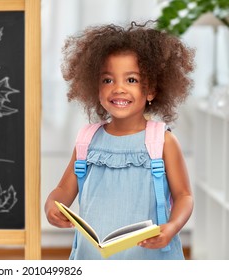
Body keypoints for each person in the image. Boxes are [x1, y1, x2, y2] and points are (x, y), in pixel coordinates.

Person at [44, 21, 195, 260]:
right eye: (108, 80)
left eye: (131, 80)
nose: (119, 89)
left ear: (151, 90)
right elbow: (63, 190)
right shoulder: (87, 139)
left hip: (148, 259)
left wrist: (173, 226)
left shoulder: (162, 141)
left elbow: (184, 195)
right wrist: (52, 205)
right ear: (95, 87)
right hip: (91, 257)